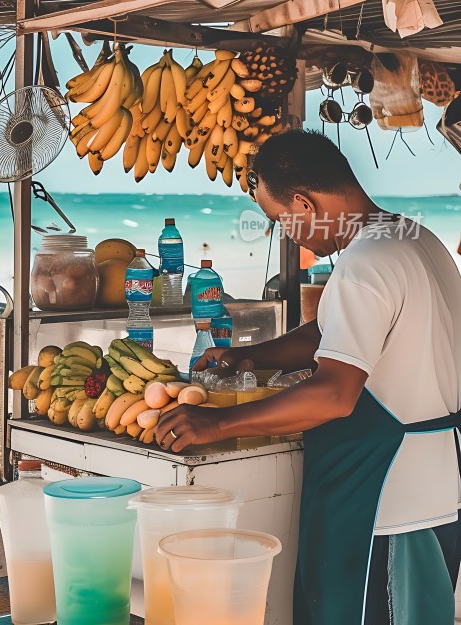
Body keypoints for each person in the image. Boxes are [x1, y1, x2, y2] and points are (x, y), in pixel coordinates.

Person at [157, 130, 461, 624]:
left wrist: (215, 426)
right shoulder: (410, 238)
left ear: (303, 203)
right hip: (438, 487)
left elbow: (335, 395)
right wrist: (251, 356)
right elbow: (334, 331)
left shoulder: (364, 264)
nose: (287, 233)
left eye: (281, 220)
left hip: (385, 502)